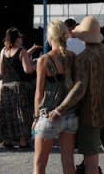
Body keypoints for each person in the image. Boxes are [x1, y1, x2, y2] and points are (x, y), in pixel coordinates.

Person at [52, 16, 104, 174]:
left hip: (90, 115)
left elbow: (80, 88)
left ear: (83, 37)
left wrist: (60, 108)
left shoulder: (83, 58)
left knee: (91, 161)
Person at [32, 20, 76, 174]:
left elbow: (39, 92)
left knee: (39, 165)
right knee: (69, 163)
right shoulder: (73, 57)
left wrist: (35, 118)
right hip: (70, 116)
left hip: (49, 116)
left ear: (50, 38)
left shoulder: (44, 60)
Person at [0, 27, 38, 149]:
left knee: (7, 114)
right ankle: (23, 141)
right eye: (20, 37)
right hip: (18, 86)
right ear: (16, 39)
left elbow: (1, 70)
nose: (21, 39)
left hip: (6, 86)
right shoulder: (22, 52)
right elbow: (27, 70)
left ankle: (7, 140)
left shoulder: (3, 51)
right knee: (21, 114)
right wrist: (36, 65)